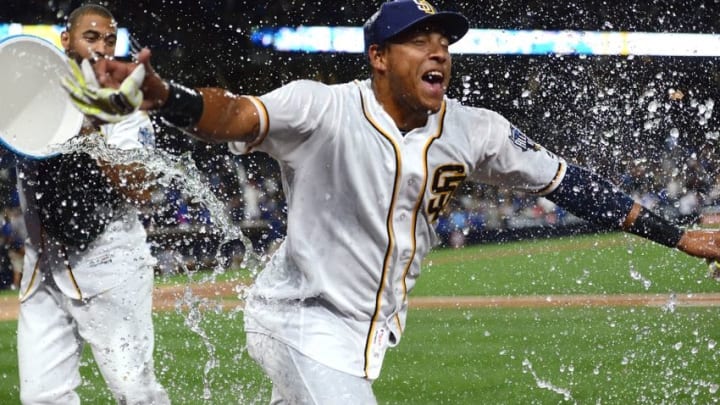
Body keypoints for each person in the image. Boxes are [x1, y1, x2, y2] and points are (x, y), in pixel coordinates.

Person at [67, 0, 720, 403]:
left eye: (443, 40)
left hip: (363, 329)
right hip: (295, 315)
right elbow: (233, 114)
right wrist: (162, 95)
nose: (438, 49)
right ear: (379, 56)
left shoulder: (476, 129)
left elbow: (569, 183)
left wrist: (679, 234)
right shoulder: (321, 107)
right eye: (418, 38)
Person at [15, 4, 169, 404]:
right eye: (91, 36)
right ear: (66, 40)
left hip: (109, 265)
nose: (102, 46)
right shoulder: (28, 87)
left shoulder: (124, 108)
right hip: (43, 265)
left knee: (135, 393)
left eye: (110, 39)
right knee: (42, 397)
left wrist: (92, 131)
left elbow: (144, 191)